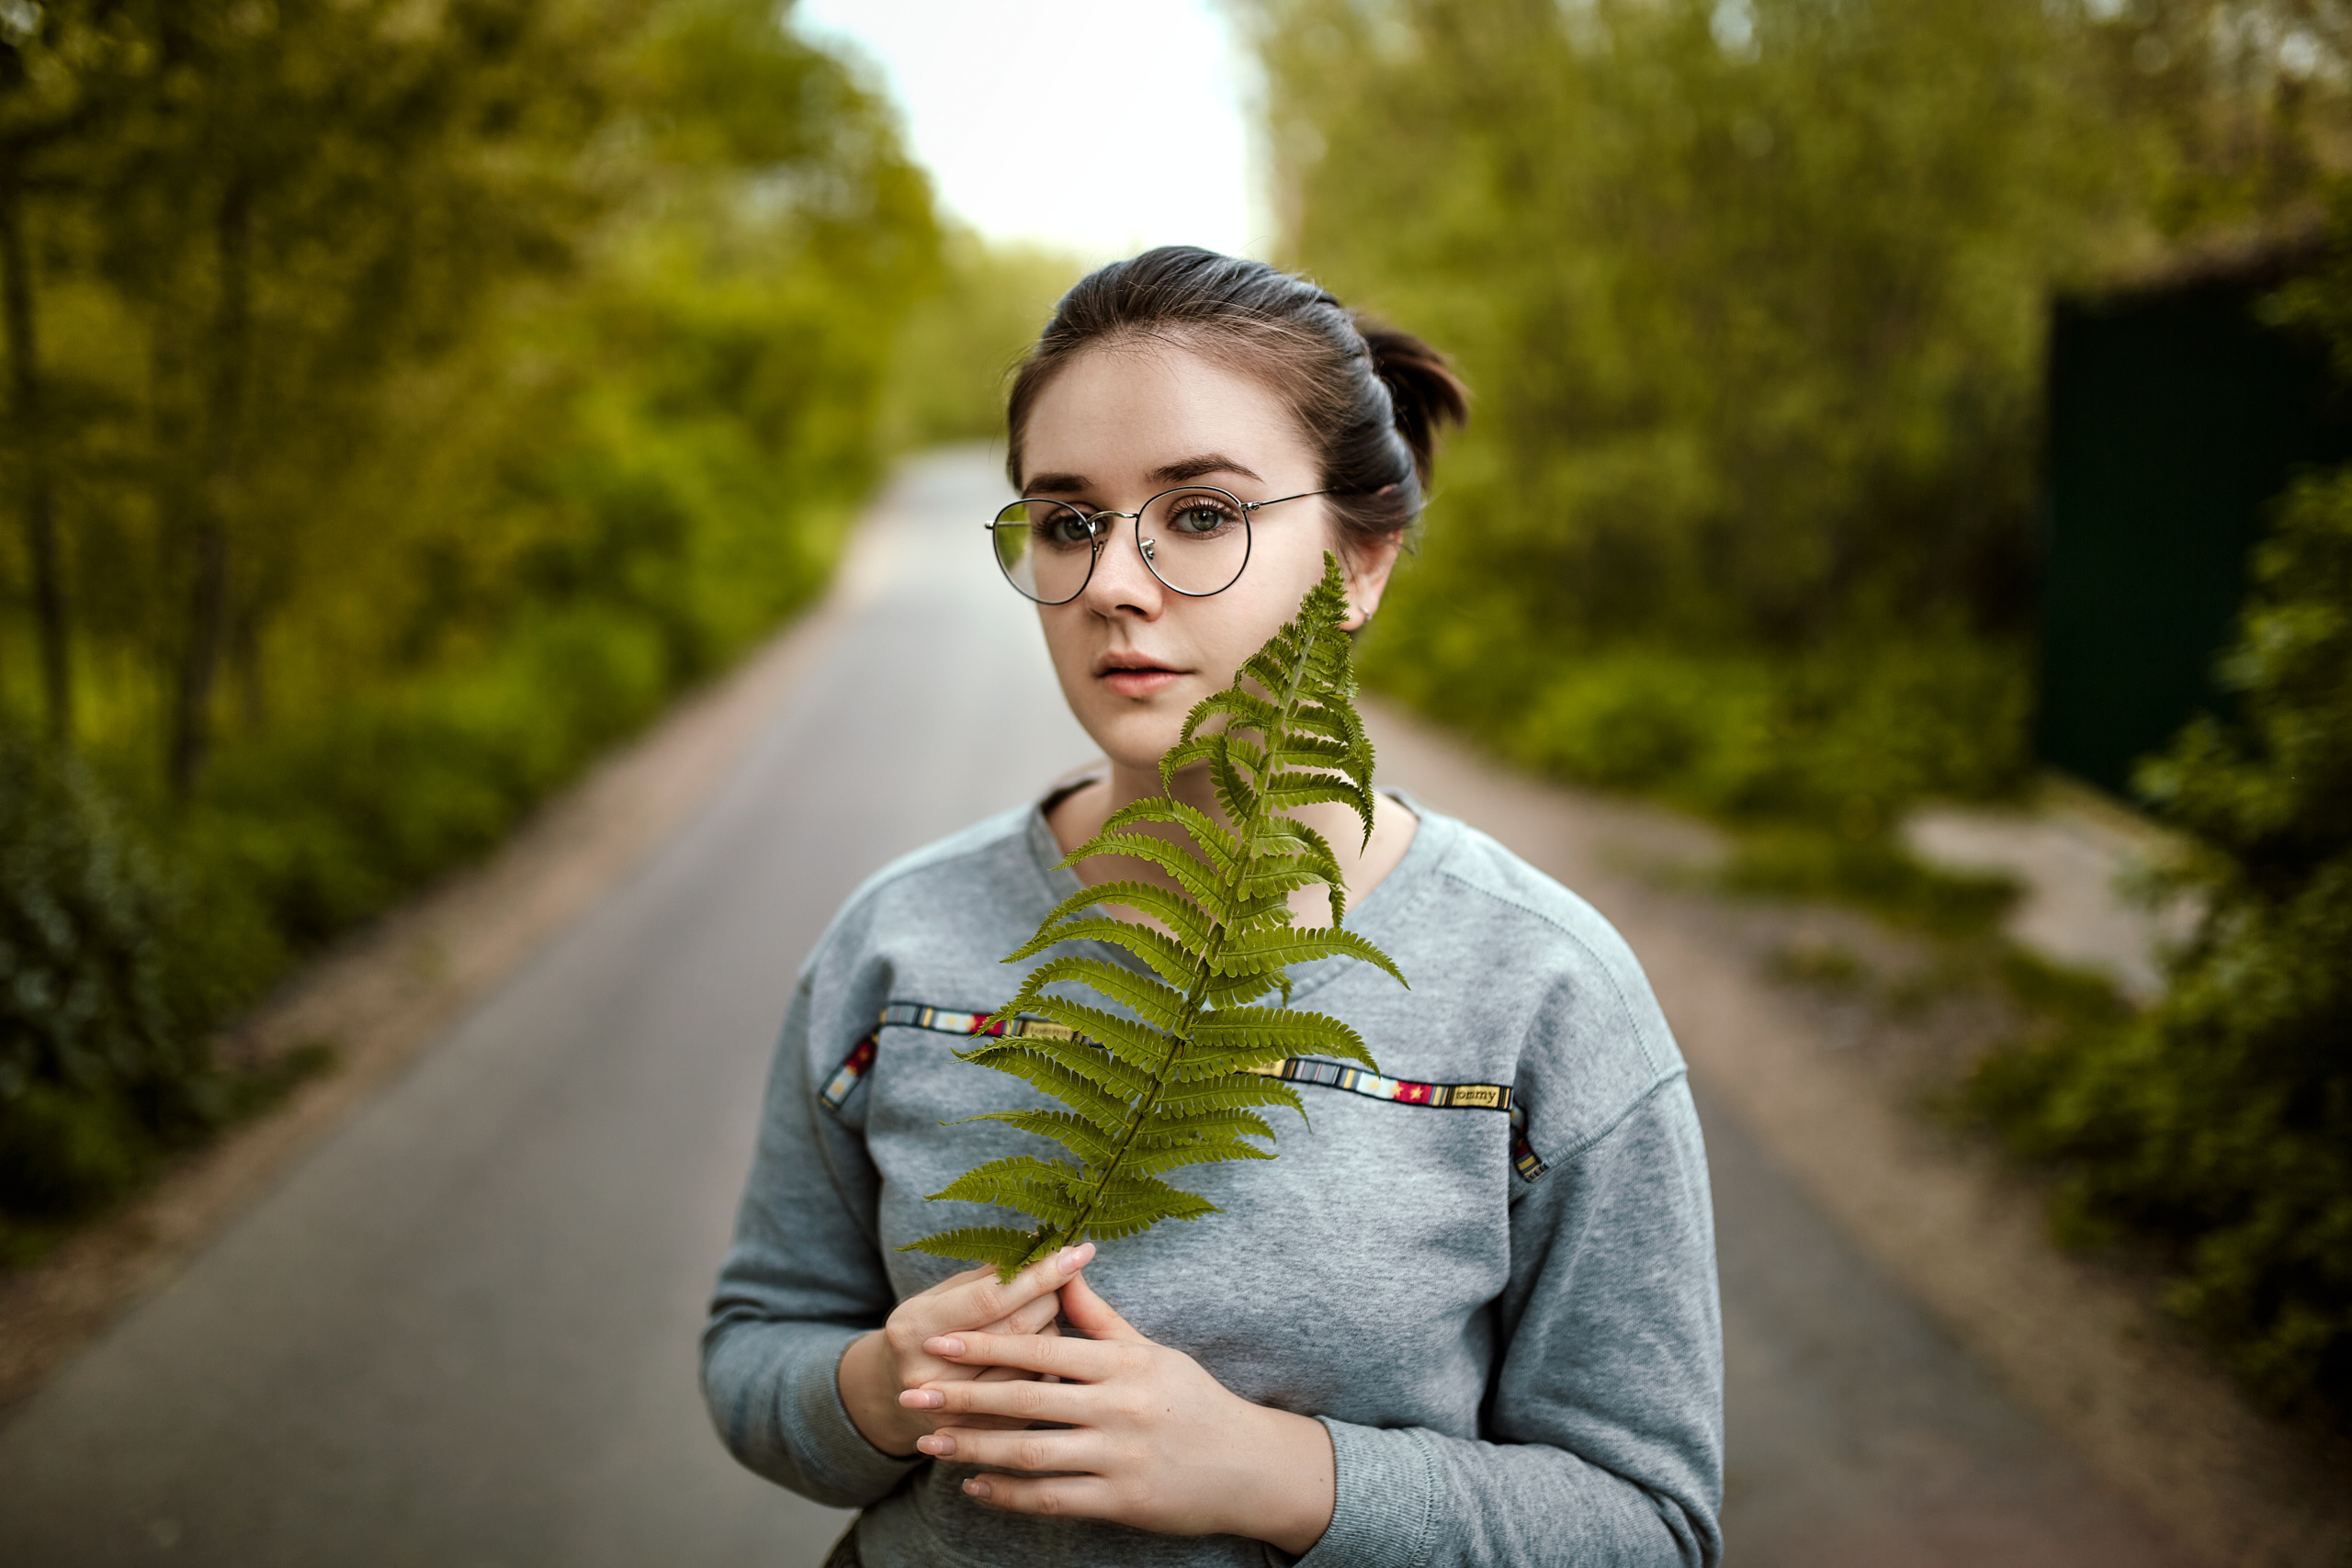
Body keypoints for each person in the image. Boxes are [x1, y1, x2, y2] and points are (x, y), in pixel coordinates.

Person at [701, 247, 1724, 1567]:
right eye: (1068, 522)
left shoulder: (1540, 990)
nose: (1116, 584)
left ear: (1360, 562)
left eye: (1200, 516)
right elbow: (753, 1350)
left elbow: (1652, 1525)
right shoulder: (899, 947)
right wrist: (886, 1392)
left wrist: (1274, 1475)